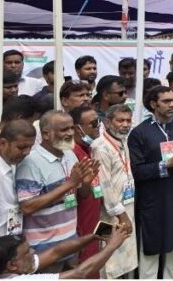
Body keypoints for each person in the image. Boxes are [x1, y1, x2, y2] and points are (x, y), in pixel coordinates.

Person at [128, 86, 173, 279]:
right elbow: (136, 171)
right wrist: (165, 165)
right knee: (150, 253)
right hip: (153, 201)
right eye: (166, 101)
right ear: (153, 104)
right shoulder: (139, 133)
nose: (172, 104)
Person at [16, 110, 99, 263]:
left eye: (71, 128)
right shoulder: (31, 162)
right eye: (63, 130)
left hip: (70, 241)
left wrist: (86, 183)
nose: (70, 133)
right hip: (43, 248)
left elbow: (81, 195)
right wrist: (70, 183)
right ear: (46, 134)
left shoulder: (69, 155)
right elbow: (27, 207)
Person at [89, 103, 139, 278]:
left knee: (122, 261)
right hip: (109, 214)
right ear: (108, 122)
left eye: (128, 121)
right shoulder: (100, 147)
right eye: (120, 120)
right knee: (107, 260)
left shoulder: (123, 141)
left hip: (126, 206)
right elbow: (104, 186)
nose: (125, 125)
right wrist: (121, 215)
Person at [0, 223, 132, 279]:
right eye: (27, 252)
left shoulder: (4, 272)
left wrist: (93, 236)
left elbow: (56, 252)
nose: (33, 252)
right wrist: (111, 246)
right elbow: (80, 273)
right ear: (12, 265)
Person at [70, 106, 104, 262]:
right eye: (94, 123)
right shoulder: (72, 154)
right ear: (78, 128)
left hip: (94, 219)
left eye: (99, 122)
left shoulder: (88, 149)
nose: (98, 126)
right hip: (81, 224)